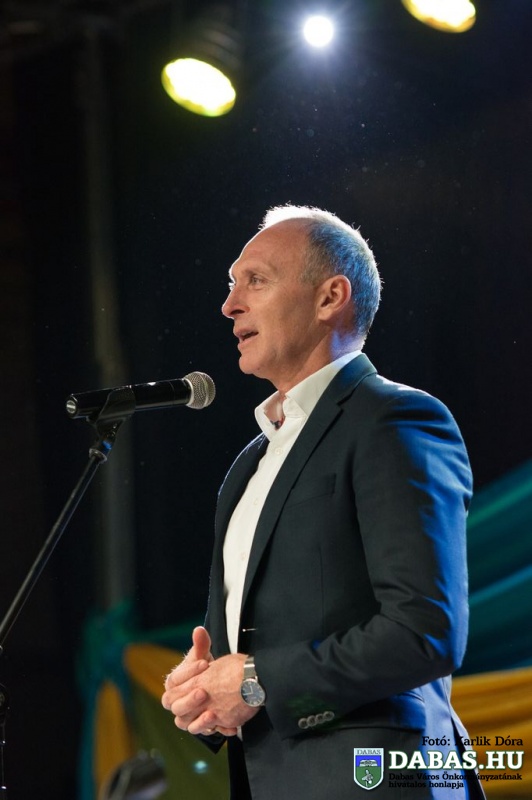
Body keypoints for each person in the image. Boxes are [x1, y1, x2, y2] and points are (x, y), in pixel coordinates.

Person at [161, 205, 485, 799]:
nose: (230, 305)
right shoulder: (249, 465)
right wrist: (205, 692)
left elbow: (425, 632)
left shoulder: (395, 419)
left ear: (330, 297)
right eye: (231, 285)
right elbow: (250, 656)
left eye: (256, 280)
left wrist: (255, 681)